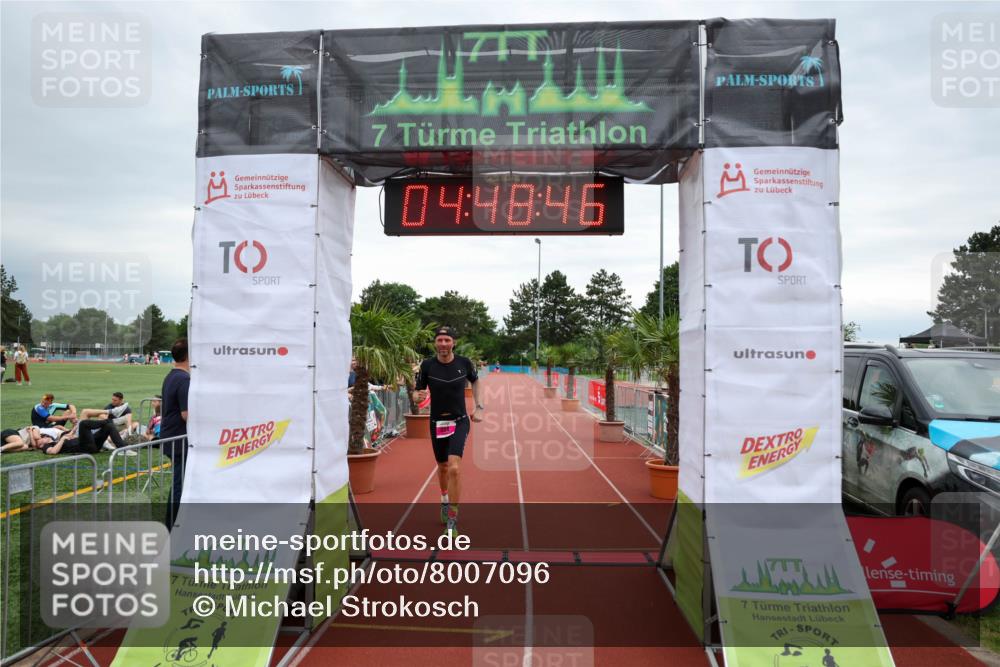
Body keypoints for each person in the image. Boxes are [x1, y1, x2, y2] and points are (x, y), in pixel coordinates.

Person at [412, 326, 483, 539]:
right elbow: (418, 391)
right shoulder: (427, 365)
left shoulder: (464, 363)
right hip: (437, 422)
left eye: (447, 340)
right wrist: (417, 397)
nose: (443, 344)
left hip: (460, 421)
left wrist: (479, 406)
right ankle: (444, 500)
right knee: (442, 467)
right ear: (436, 343)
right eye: (440, 340)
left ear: (453, 342)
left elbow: (476, 381)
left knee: (454, 468)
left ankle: (452, 519)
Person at [161, 338, 190, 528]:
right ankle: (174, 524)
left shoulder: (172, 375)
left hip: (170, 436)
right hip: (179, 439)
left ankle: (174, 522)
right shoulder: (184, 379)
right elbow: (187, 415)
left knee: (180, 482)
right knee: (180, 484)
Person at [35, 419, 124, 455]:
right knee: (84, 424)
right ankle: (110, 421)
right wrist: (62, 439)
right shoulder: (46, 447)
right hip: (85, 447)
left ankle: (123, 448)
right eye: (41, 439)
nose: (43, 437)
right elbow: (53, 452)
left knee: (108, 427)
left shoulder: (56, 440)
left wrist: (74, 428)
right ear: (41, 445)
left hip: (92, 444)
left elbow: (70, 434)